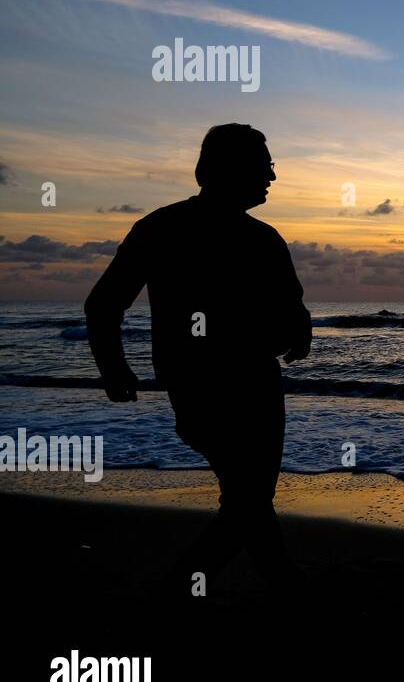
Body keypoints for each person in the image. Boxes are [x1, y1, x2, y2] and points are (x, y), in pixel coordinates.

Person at [84, 123, 312, 598]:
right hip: (211, 387)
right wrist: (113, 366)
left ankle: (273, 580)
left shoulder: (259, 238)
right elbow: (104, 304)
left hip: (248, 384)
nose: (272, 175)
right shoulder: (167, 229)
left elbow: (295, 312)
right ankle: (196, 590)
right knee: (248, 502)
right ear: (231, 169)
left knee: (248, 501)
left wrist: (298, 328)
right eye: (263, 164)